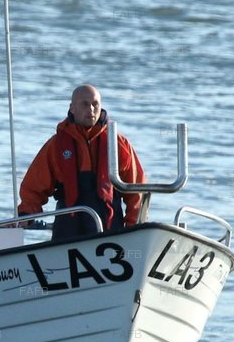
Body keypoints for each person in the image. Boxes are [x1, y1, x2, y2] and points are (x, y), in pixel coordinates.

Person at [17, 84, 146, 240]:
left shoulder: (118, 143)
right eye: (85, 104)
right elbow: (33, 187)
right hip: (68, 227)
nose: (91, 109)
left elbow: (137, 189)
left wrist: (134, 228)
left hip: (110, 227)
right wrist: (26, 214)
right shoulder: (57, 145)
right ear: (72, 108)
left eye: (95, 104)